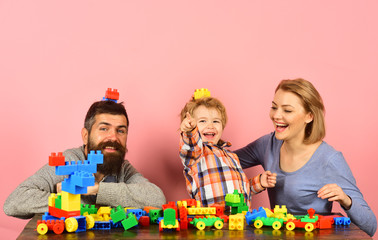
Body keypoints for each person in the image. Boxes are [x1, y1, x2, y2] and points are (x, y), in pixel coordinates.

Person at [235, 78, 377, 236]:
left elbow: (370, 227)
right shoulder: (267, 145)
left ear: (309, 116)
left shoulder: (329, 159)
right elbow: (221, 161)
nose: (276, 115)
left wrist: (346, 200)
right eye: (274, 107)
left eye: (287, 110)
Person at [4, 99, 166, 219]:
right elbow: (14, 202)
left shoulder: (123, 168)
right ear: (85, 135)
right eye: (104, 128)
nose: (113, 137)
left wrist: (97, 190)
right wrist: (74, 205)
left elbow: (157, 199)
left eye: (121, 131)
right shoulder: (70, 162)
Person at [179, 94, 276, 208]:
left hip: (240, 219)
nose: (210, 125)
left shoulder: (232, 156)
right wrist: (190, 131)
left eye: (216, 121)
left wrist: (259, 182)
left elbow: (239, 191)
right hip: (213, 220)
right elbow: (190, 144)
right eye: (202, 121)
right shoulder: (196, 154)